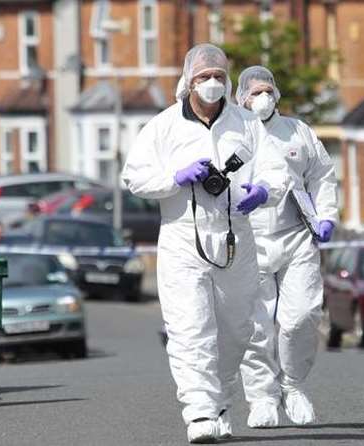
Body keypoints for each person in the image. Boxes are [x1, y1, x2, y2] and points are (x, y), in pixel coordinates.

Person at [121, 45, 288, 444]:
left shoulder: (247, 124)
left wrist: (263, 191)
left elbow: (276, 170)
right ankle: (199, 413)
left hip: (235, 235)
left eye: (218, 76)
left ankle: (219, 403)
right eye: (203, 77)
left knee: (235, 329)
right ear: (188, 81)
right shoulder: (164, 127)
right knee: (190, 328)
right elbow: (134, 177)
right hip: (182, 235)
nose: (212, 83)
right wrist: (174, 178)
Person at [235, 66, 338, 428]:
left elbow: (322, 174)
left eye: (267, 90)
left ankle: (293, 386)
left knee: (302, 317)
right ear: (242, 97)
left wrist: (326, 215)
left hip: (296, 235)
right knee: (257, 326)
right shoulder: (235, 133)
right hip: (251, 239)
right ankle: (262, 398)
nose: (262, 97)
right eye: (254, 92)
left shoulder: (298, 132)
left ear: (276, 94)